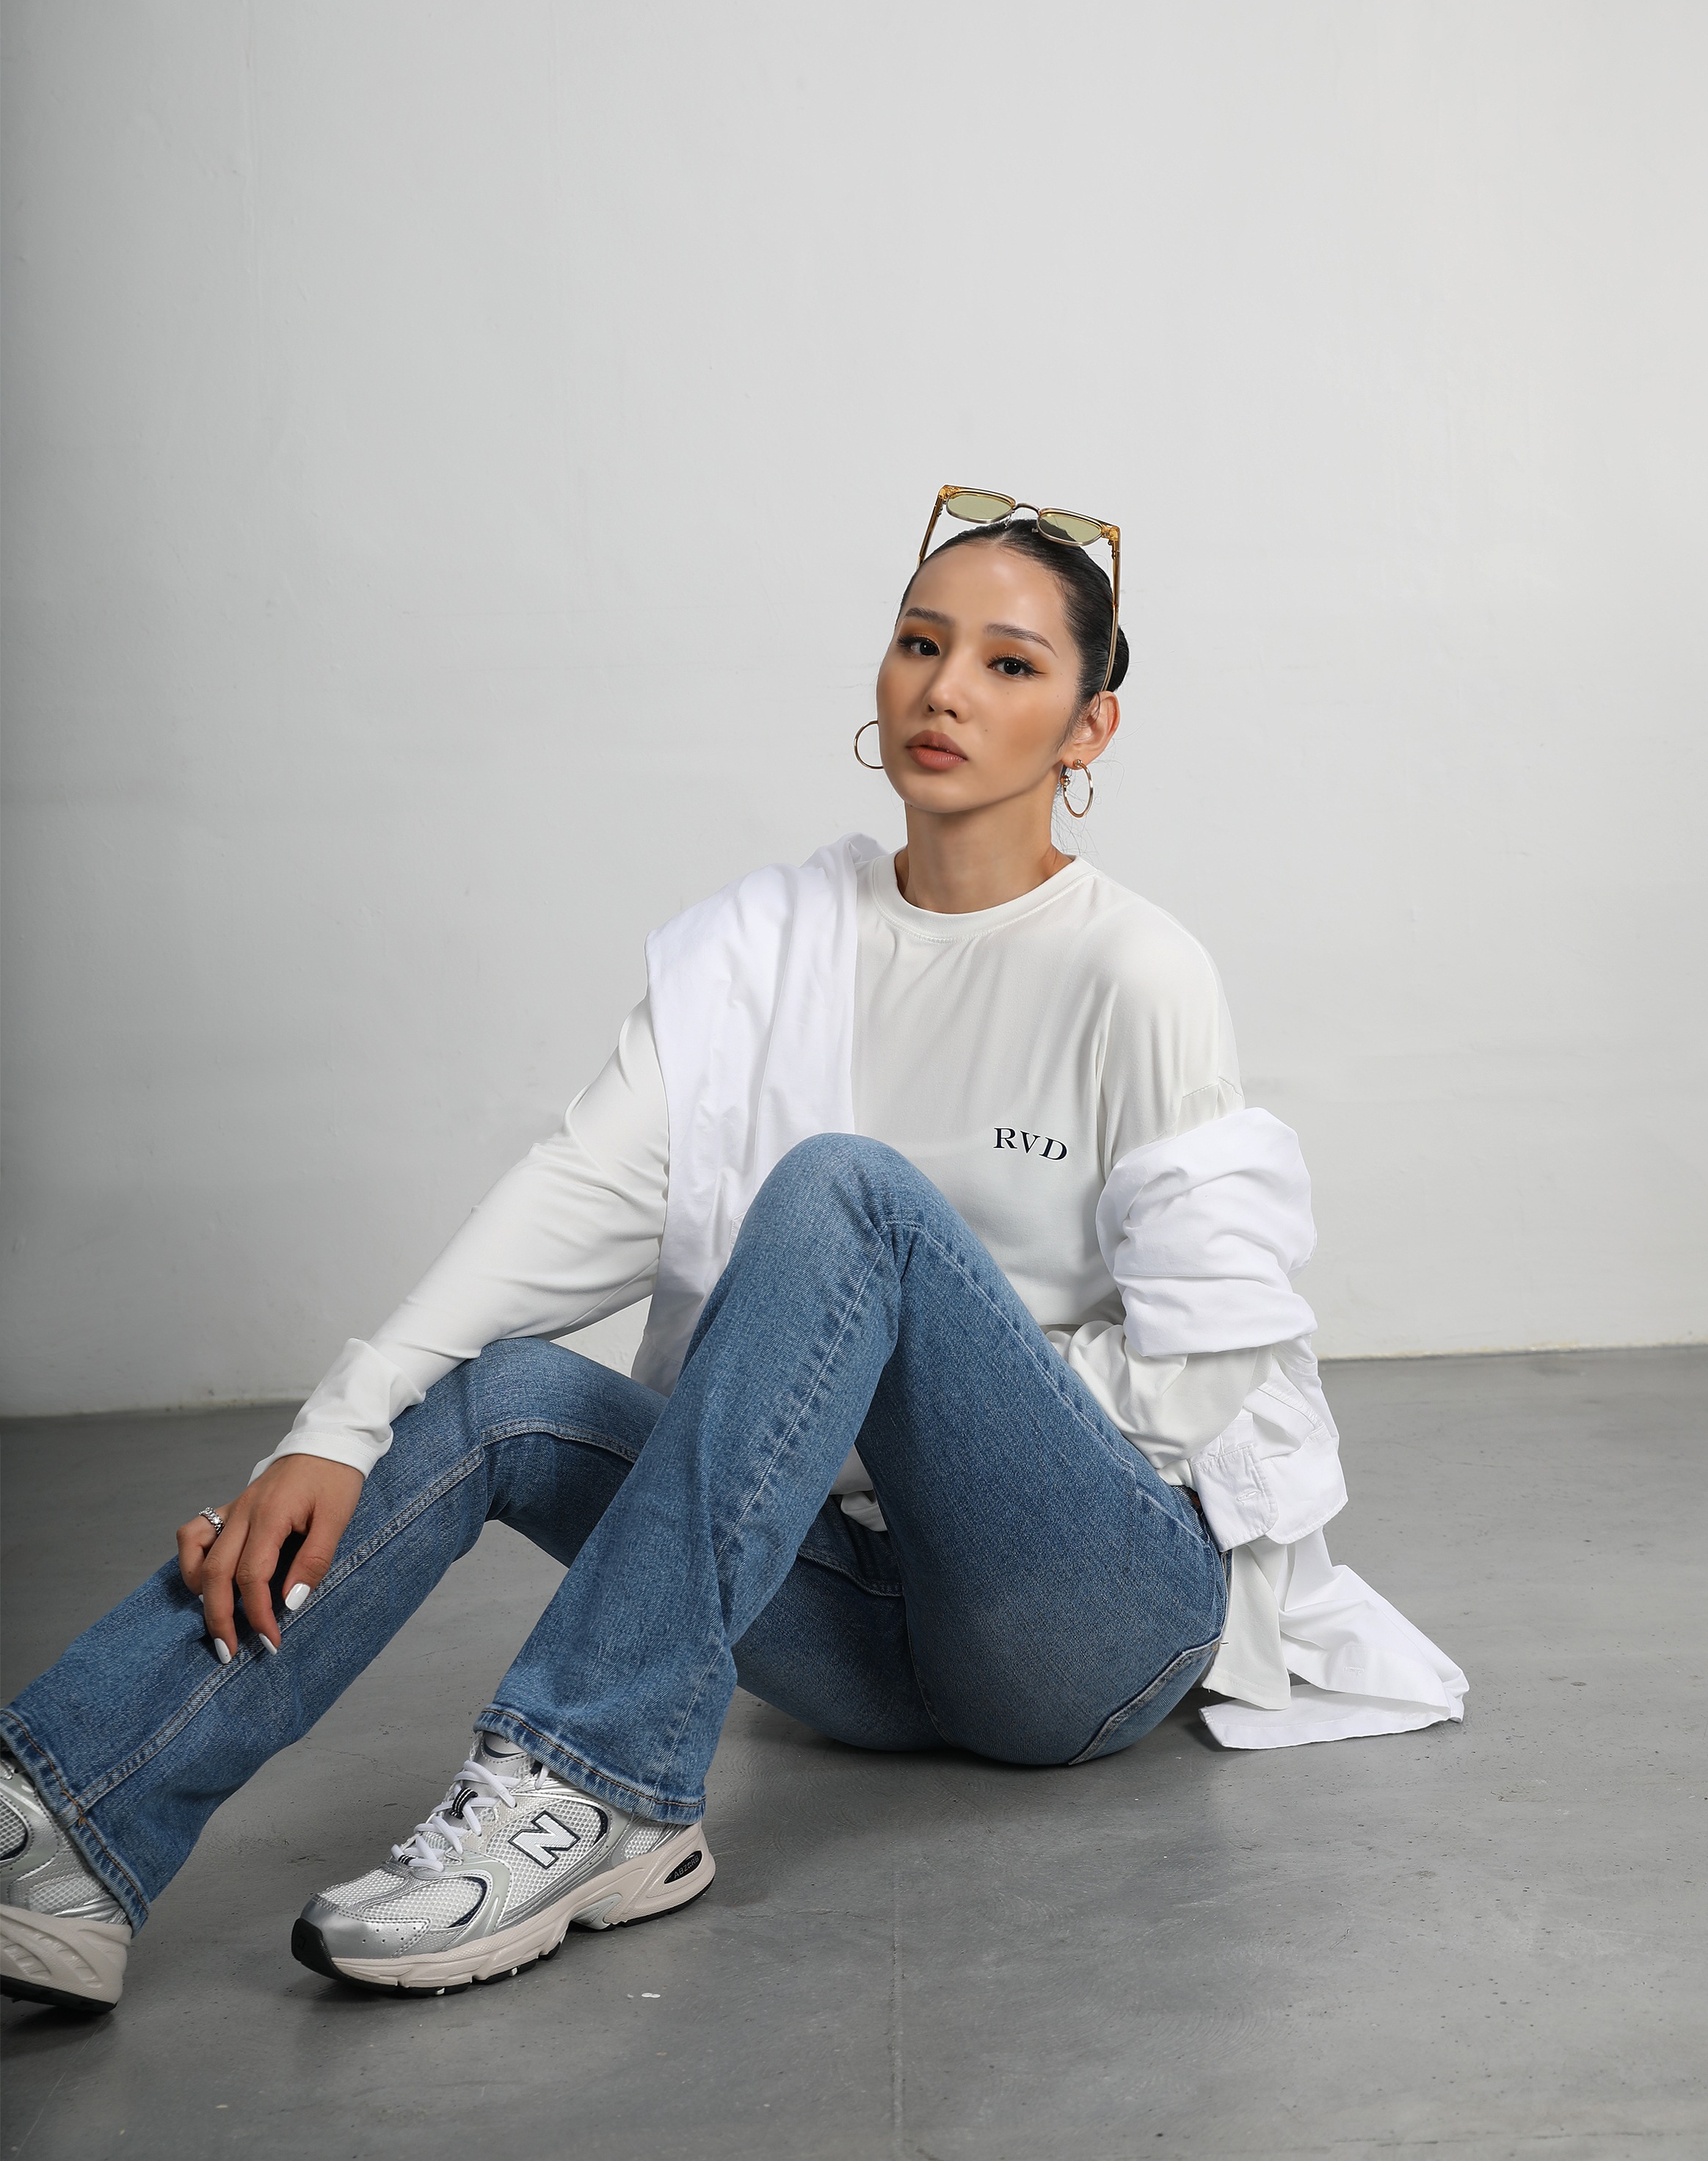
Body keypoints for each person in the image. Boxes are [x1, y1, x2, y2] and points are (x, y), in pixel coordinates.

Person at [0, 487, 1465, 2016]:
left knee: (848, 1193)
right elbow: (573, 1194)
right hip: (859, 1634)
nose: (947, 690)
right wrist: (338, 1424)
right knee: (498, 1392)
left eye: (1011, 664)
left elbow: (1208, 1374)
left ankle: (595, 1784)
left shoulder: (1136, 969)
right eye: (920, 644)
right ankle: (67, 1816)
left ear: (1088, 727)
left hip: (1089, 1622)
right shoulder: (763, 951)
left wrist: (875, 1409)